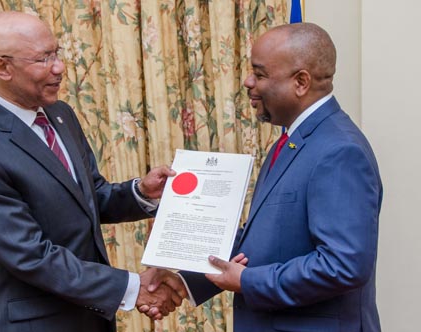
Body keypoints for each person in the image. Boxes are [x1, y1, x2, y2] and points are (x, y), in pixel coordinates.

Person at [0, 11, 186, 332]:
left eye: (56, 53)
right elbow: (31, 256)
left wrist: (140, 192)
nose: (59, 67)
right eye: (43, 59)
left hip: (91, 319)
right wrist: (132, 287)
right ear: (2, 67)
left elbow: (90, 198)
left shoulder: (61, 115)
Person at [153, 22, 383, 331]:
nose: (248, 82)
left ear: (301, 82)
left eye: (260, 74)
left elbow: (342, 266)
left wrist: (248, 281)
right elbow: (261, 242)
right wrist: (185, 282)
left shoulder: (339, 151)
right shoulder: (292, 141)